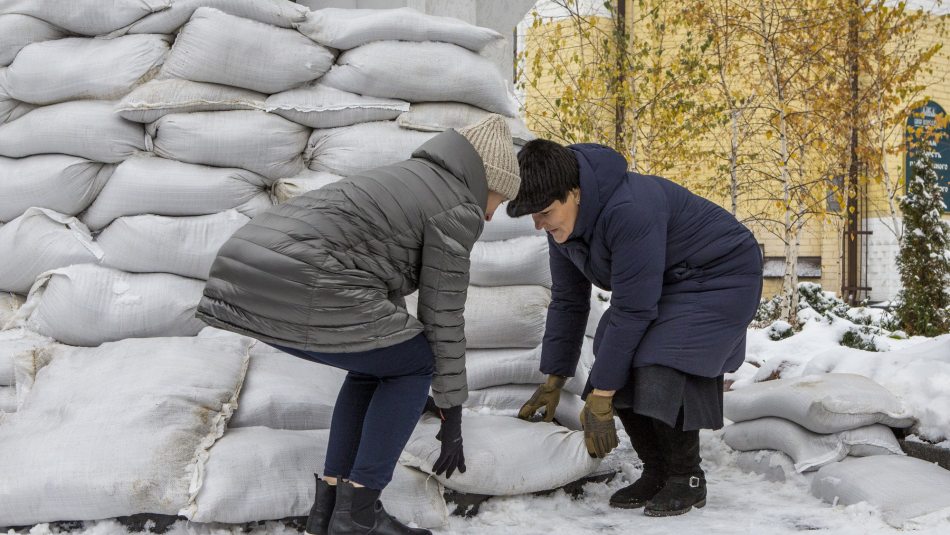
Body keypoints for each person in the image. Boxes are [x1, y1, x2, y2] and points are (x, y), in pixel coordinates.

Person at [195, 115, 521, 535]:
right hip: (301, 277)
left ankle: (329, 510)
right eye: (499, 200)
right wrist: (452, 408)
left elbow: (376, 277)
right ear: (486, 181)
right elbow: (443, 314)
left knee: (378, 358)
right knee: (415, 362)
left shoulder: (411, 177)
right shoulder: (458, 205)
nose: (493, 215)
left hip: (246, 267)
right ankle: (359, 515)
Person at [510, 139, 763, 517]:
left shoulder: (629, 210)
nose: (539, 224)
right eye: (533, 216)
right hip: (668, 280)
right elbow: (567, 300)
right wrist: (555, 379)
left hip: (721, 275)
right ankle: (657, 471)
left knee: (662, 357)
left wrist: (601, 393)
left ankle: (686, 477)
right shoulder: (562, 228)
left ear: (575, 193)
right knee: (613, 354)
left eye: (544, 212)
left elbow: (634, 310)